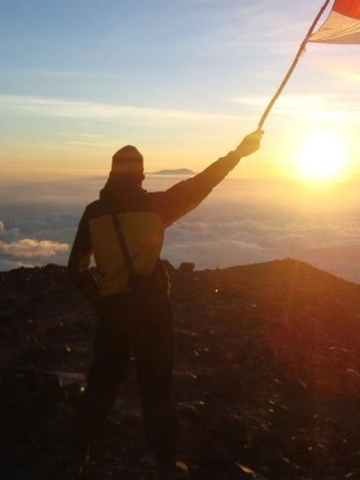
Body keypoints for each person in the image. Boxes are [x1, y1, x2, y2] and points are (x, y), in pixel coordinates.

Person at [67, 130, 263, 478]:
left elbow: (76, 270)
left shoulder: (92, 213)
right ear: (141, 175)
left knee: (101, 384)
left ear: (111, 174)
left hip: (113, 312)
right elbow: (204, 182)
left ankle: (77, 452)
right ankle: (165, 463)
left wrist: (102, 304)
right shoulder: (155, 207)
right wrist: (238, 153)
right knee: (156, 388)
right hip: (151, 311)